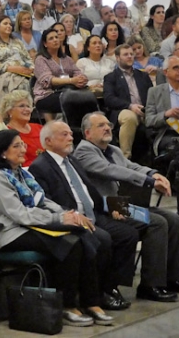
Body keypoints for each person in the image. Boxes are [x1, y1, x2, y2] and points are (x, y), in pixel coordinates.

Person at [0, 129, 114, 326]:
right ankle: (67, 306)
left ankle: (90, 301)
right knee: (70, 243)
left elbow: (43, 201)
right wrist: (59, 218)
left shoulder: (21, 174)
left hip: (36, 226)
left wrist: (69, 214)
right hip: (13, 232)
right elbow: (20, 214)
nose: (22, 149)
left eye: (23, 144)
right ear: (2, 152)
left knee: (87, 236)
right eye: (16, 146)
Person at [74, 112, 179, 300]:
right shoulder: (84, 151)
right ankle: (150, 285)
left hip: (120, 204)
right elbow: (112, 170)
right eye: (101, 125)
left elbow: (131, 166)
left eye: (108, 124)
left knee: (173, 219)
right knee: (156, 223)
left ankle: (172, 278)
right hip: (105, 207)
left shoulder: (112, 150)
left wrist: (153, 173)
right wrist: (148, 181)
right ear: (88, 133)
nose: (107, 128)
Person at [29, 121, 140, 310]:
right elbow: (47, 202)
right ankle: (100, 293)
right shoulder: (40, 167)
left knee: (137, 229)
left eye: (70, 134)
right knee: (104, 238)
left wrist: (111, 208)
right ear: (48, 141)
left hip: (98, 210)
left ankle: (114, 285)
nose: (71, 137)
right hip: (74, 217)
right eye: (64, 135)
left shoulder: (73, 160)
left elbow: (91, 192)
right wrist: (72, 215)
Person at [103, 44, 153, 159]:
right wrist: (130, 106)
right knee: (130, 117)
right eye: (126, 54)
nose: (130, 56)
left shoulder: (143, 75)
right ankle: (125, 158)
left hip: (144, 110)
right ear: (117, 58)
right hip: (123, 110)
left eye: (131, 54)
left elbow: (151, 95)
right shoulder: (111, 77)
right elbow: (109, 99)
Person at [33, 28, 87, 120]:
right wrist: (71, 80)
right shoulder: (41, 59)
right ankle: (70, 127)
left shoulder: (66, 59)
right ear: (45, 44)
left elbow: (77, 72)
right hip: (46, 95)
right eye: (51, 38)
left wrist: (81, 79)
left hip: (66, 91)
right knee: (73, 99)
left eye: (56, 37)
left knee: (87, 97)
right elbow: (48, 80)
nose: (55, 40)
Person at [0, 14, 33, 105]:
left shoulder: (17, 42)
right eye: (5, 24)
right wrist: (13, 69)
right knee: (20, 84)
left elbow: (27, 58)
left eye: (10, 24)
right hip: (2, 76)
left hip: (23, 73)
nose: (9, 26)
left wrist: (30, 68)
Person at [1, 90, 43, 166]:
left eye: (28, 106)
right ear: (9, 111)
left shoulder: (39, 128)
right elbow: (21, 163)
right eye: (22, 106)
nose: (27, 109)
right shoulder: (7, 133)